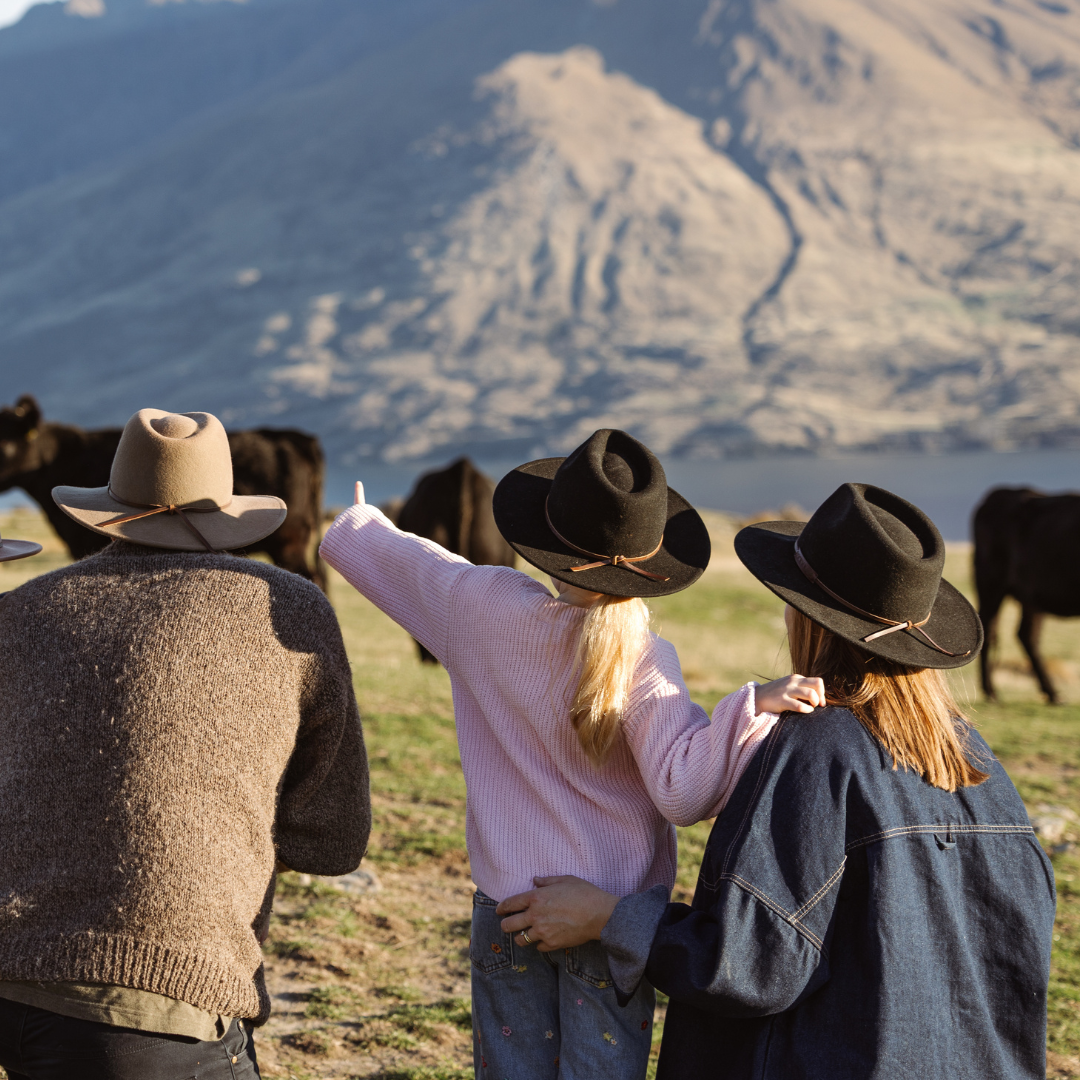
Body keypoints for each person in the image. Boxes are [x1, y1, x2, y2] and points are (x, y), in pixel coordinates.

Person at [498, 482, 1056, 1079]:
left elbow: (749, 960)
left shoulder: (815, 750)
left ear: (811, 619)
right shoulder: (980, 766)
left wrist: (608, 917)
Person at [320, 428, 823, 1079]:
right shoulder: (644, 661)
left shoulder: (479, 607)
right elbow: (683, 792)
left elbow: (403, 563)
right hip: (607, 924)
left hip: (505, 910)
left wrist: (360, 523)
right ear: (648, 562)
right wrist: (750, 708)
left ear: (546, 540)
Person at [0, 409, 370, 1080]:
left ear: (109, 506)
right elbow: (332, 839)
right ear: (229, 510)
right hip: (160, 1003)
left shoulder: (19, 609)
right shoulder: (289, 607)